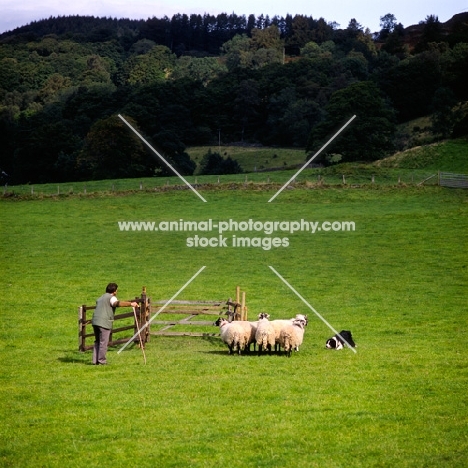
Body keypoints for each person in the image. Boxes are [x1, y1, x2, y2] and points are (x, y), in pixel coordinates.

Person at [92, 283, 139, 365]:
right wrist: (130, 304)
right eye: (116, 290)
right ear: (114, 291)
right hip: (104, 322)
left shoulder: (100, 298)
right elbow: (116, 303)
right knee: (103, 342)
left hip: (95, 321)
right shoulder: (111, 297)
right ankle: (102, 361)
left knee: (97, 341)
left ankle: (95, 360)